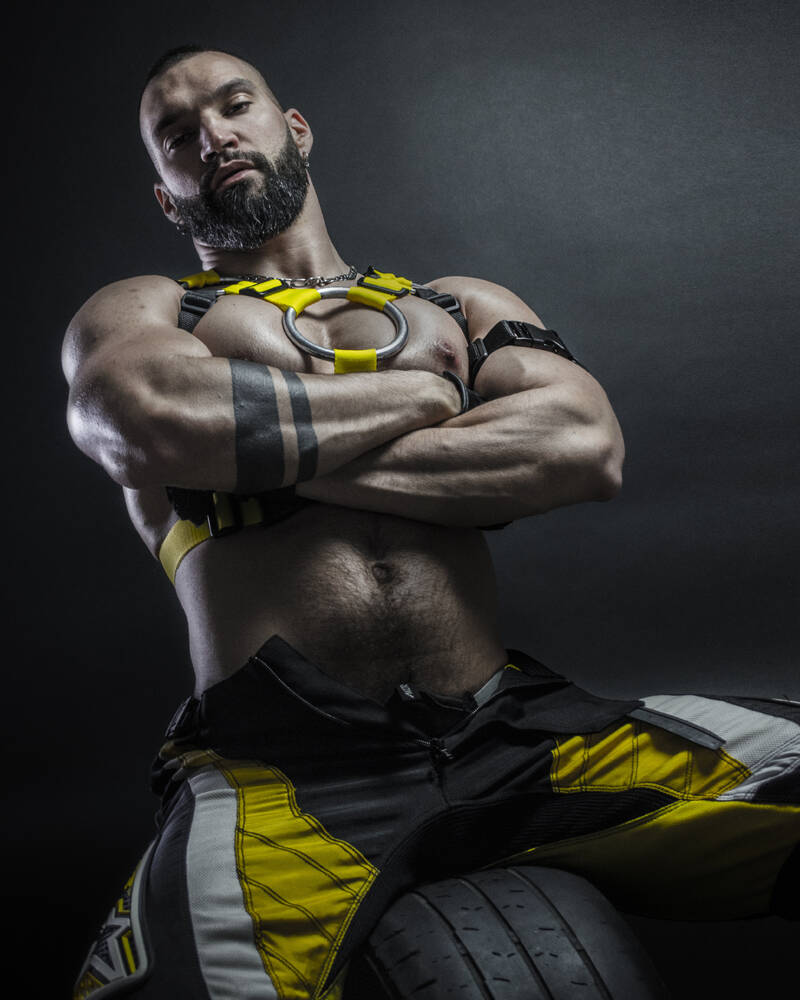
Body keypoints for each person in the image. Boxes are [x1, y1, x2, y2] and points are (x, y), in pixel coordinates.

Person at [64, 44, 798, 1000]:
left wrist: (261, 455)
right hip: (281, 774)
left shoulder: (458, 303)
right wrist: (427, 396)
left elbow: (583, 446)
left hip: (513, 737)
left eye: (234, 105)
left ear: (295, 129)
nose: (214, 136)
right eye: (177, 135)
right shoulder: (152, 309)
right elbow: (142, 421)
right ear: (166, 197)